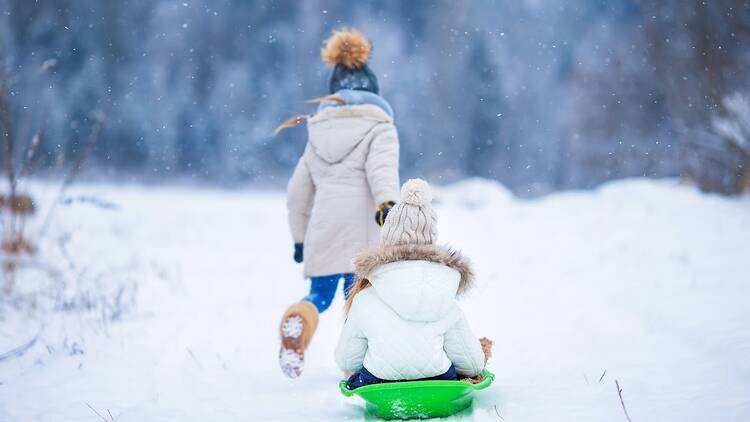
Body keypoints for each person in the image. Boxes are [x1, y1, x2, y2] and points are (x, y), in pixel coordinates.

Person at [277, 28, 400, 378]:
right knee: (359, 302)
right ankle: (358, 367)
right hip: (363, 234)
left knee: (319, 297)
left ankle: (299, 319)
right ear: (374, 93)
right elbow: (382, 170)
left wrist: (300, 238)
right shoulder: (381, 127)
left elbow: (297, 194)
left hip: (324, 231)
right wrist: (387, 203)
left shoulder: (317, 131)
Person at [335, 179, 486, 389]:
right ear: (431, 238)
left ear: (387, 236)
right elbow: (472, 364)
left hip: (379, 381)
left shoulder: (365, 297)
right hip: (438, 381)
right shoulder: (444, 292)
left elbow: (346, 360)